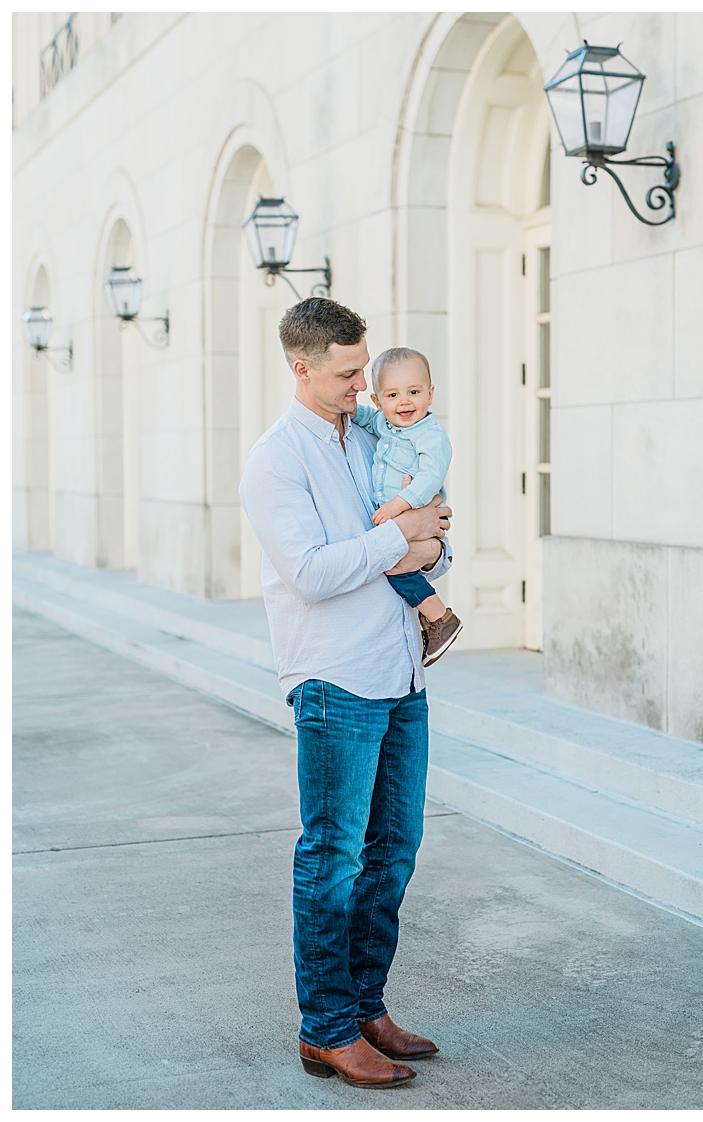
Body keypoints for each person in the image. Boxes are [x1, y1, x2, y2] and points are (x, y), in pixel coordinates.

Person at [239, 298, 453, 1089]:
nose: (365, 384)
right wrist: (400, 538)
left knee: (393, 853)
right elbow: (313, 572)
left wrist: (422, 541)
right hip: (335, 679)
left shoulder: (370, 436)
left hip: (401, 671)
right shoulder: (275, 460)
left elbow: (433, 535)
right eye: (348, 373)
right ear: (302, 368)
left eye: (364, 368)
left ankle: (366, 1007)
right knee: (333, 858)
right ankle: (325, 1028)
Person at [352, 345, 463, 665]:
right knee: (398, 565)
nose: (404, 402)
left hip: (414, 511)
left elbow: (430, 477)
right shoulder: (386, 424)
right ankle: (430, 619)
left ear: (430, 393)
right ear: (378, 401)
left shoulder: (430, 435)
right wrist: (349, 411)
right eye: (392, 395)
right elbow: (367, 418)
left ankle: (440, 618)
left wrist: (399, 506)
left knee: (396, 566)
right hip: (399, 518)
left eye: (414, 392)